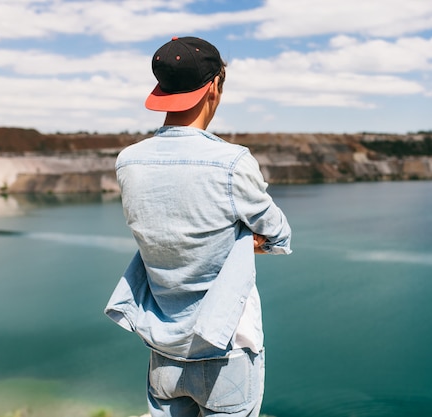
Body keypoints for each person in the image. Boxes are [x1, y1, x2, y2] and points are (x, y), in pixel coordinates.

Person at [104, 36, 292, 417]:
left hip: (163, 350)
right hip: (227, 353)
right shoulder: (232, 162)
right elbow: (277, 235)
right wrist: (239, 238)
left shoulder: (128, 161)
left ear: (161, 90)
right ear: (214, 87)